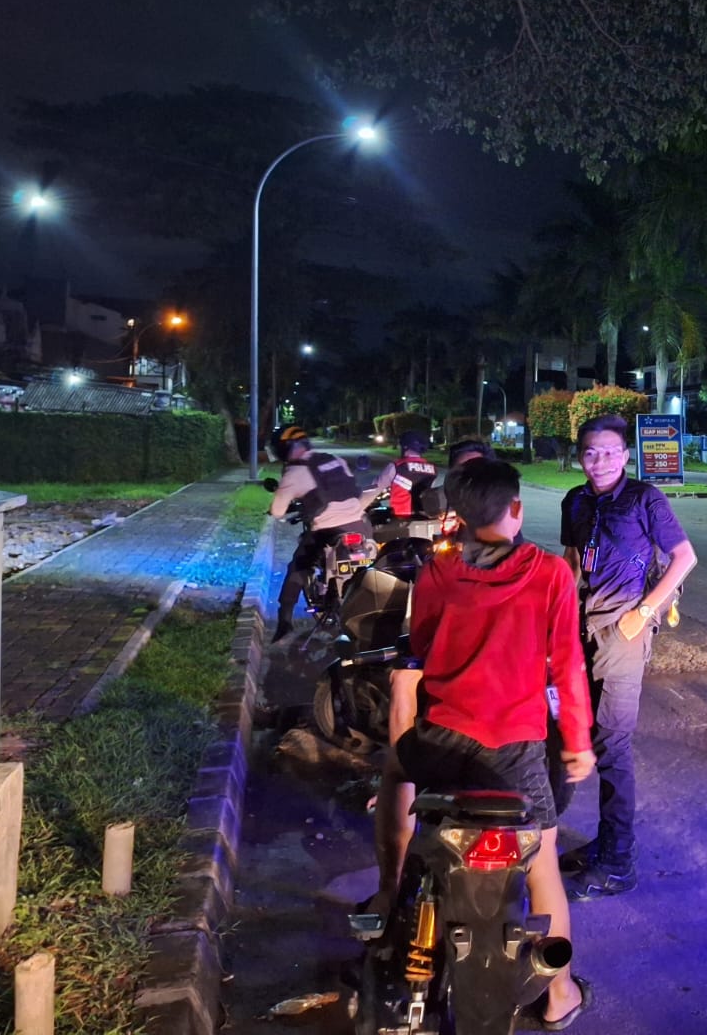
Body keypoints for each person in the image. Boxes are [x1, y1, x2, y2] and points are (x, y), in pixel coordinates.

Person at [396, 456, 597, 1030]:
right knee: (542, 873)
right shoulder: (551, 574)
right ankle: (558, 997)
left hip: (442, 742)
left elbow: (426, 646)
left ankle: (394, 905)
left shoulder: (435, 575)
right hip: (517, 752)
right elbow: (568, 668)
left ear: (457, 515)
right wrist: (577, 743)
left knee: (420, 825)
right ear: (516, 508)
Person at [559, 413, 697, 900]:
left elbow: (684, 557)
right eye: (591, 453)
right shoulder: (574, 500)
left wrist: (642, 612)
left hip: (624, 628)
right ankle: (605, 843)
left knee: (613, 745)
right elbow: (575, 563)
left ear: (626, 455)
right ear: (580, 457)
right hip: (582, 626)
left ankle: (618, 863)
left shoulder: (644, 498)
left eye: (611, 452)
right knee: (582, 730)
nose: (600, 461)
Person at [370, 436, 501, 904]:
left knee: (403, 693)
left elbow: (423, 641)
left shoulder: (447, 564)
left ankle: (389, 889)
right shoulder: (530, 563)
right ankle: (563, 982)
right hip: (512, 725)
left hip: (473, 714)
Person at [268, 425, 374, 643]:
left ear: (283, 449)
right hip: (360, 525)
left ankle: (285, 621)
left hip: (327, 531)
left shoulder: (294, 472)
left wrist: (276, 509)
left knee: (298, 566)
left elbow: (278, 511)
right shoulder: (335, 459)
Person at [368, 430, 439, 518]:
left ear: (404, 447)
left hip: (401, 517)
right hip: (424, 515)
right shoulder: (433, 469)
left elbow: (374, 487)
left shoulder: (397, 467)